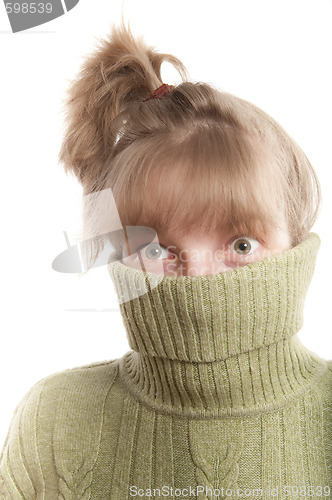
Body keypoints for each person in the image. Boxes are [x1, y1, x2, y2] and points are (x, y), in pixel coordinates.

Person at [1, 22, 331, 499]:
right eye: (155, 249)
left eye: (241, 245)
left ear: (296, 245)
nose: (197, 277)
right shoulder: (54, 423)